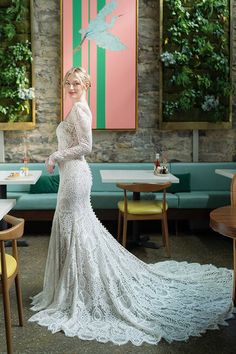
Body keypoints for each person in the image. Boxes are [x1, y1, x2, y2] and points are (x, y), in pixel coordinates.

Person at [29, 67, 234, 346]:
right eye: (67, 82)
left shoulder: (79, 109)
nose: (71, 86)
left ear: (86, 84)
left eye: (76, 82)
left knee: (74, 228)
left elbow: (86, 146)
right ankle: (74, 285)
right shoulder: (77, 109)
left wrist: (56, 153)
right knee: (76, 228)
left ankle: (79, 289)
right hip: (71, 176)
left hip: (75, 176)